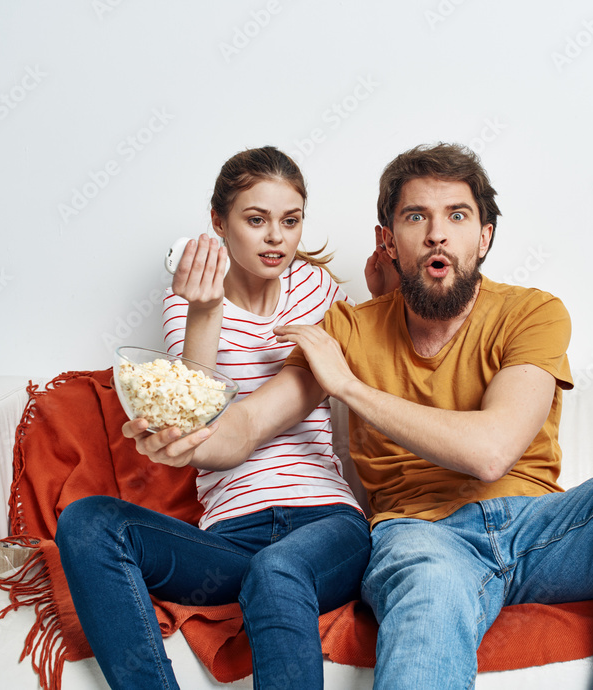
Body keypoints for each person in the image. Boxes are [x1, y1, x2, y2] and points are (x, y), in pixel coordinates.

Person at [128, 143, 593, 689]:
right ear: (388, 238)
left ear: (484, 237)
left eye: (457, 216)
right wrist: (184, 439)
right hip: (420, 539)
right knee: (431, 593)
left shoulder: (533, 313)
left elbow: (492, 450)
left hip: (544, 529)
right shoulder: (348, 329)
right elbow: (246, 428)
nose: (438, 234)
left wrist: (350, 388)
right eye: (416, 217)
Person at [56, 146, 371, 690]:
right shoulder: (187, 303)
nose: (276, 237)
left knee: (280, 572)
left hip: (326, 524)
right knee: (86, 524)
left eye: (290, 221)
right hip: (231, 538)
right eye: (256, 220)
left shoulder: (323, 293)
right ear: (218, 222)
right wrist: (205, 311)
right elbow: (194, 413)